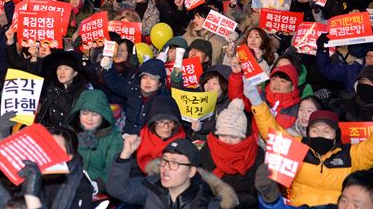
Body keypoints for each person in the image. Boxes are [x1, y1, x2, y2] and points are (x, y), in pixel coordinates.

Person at [245, 79, 373, 207]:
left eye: (326, 131)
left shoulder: (350, 155)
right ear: (308, 133)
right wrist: (257, 101)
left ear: (335, 135)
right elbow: (271, 131)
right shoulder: (297, 148)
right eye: (315, 130)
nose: (320, 134)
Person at [107, 136, 238, 208]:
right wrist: (125, 155)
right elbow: (116, 189)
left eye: (175, 162)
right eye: (164, 160)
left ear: (191, 171)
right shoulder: (151, 187)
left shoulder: (206, 203)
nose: (166, 168)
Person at [201, 98, 264, 208]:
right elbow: (198, 180)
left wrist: (234, 200)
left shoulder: (256, 153)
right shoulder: (209, 146)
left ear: (243, 137)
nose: (227, 141)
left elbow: (258, 193)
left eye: (233, 137)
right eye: (223, 135)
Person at [65, 89, 123, 194]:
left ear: (103, 115)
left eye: (95, 114)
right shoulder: (69, 132)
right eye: (85, 113)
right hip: (68, 184)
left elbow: (113, 171)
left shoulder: (114, 138)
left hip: (98, 189)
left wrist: (96, 186)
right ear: (79, 113)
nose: (89, 119)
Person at [101, 57, 168, 134]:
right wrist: (108, 68)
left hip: (148, 142)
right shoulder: (134, 90)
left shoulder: (164, 100)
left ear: (160, 83)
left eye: (153, 79)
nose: (148, 82)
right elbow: (116, 83)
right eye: (144, 77)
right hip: (127, 137)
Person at [36, 51, 89, 128]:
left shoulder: (83, 92)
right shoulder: (52, 90)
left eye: (66, 69)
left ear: (75, 73)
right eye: (59, 68)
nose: (62, 72)